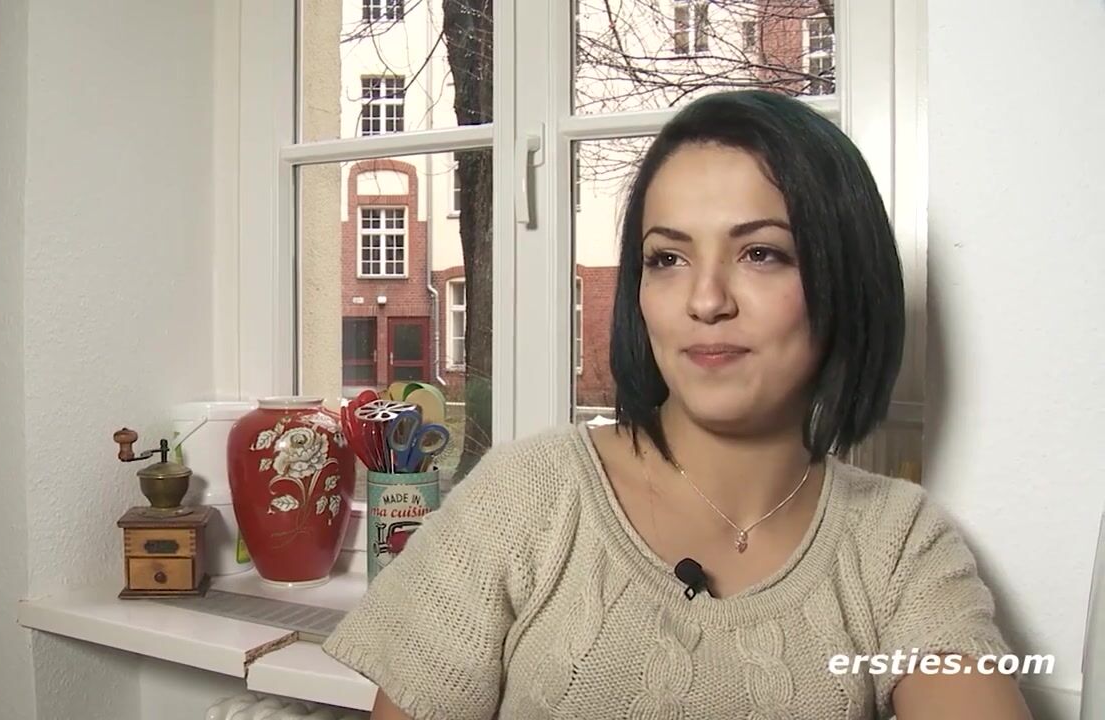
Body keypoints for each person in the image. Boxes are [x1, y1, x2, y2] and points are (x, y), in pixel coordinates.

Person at [321, 90, 1031, 719]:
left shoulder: (899, 546)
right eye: (667, 258)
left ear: (844, 278)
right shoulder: (523, 498)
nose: (706, 300)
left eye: (761, 253)